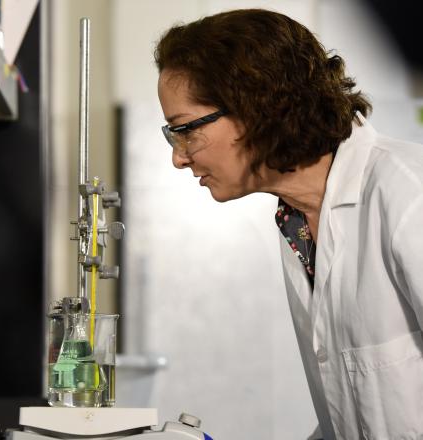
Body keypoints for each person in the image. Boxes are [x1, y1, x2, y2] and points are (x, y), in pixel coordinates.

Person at [155, 9, 423, 440]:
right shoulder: (296, 224)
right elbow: (354, 413)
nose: (179, 156)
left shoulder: (409, 196)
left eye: (185, 130)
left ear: (254, 108)